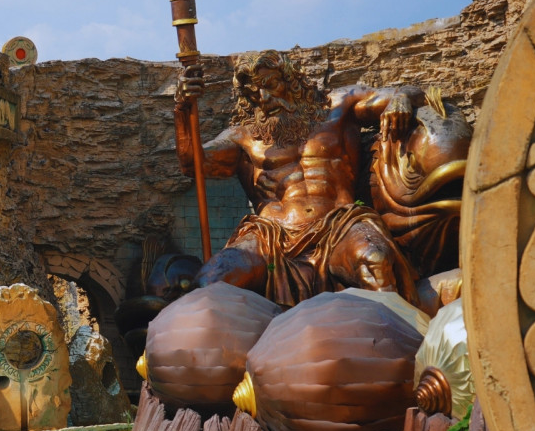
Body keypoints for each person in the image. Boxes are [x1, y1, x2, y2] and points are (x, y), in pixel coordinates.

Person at [175, 50, 423, 308]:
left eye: (272, 85)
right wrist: (182, 108)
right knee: (211, 280)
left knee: (376, 261)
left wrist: (401, 98)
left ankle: (396, 341)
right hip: (272, 236)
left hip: (338, 225)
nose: (265, 98)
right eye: (254, 94)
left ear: (290, 79)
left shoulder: (338, 106)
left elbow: (408, 93)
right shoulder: (243, 136)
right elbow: (193, 163)